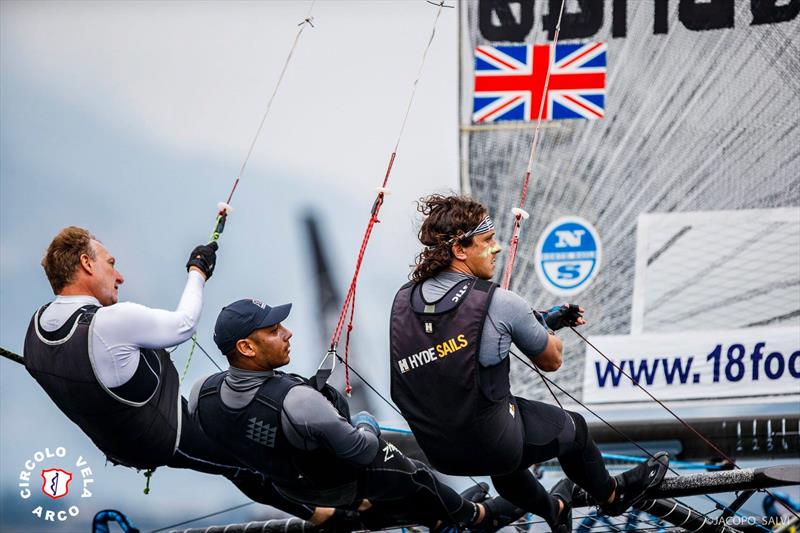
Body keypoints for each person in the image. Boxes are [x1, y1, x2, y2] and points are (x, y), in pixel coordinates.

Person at [23, 226, 350, 527]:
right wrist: (198, 271)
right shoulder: (109, 322)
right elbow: (183, 325)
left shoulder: (36, 331)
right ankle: (337, 514)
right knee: (248, 459)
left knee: (241, 453)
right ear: (86, 264)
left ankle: (328, 508)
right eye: (111, 263)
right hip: (164, 435)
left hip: (121, 444)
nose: (119, 276)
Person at [388, 195, 669, 532]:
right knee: (574, 430)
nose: (497, 248)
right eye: (488, 240)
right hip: (495, 446)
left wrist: (539, 321)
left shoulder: (403, 301)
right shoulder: (502, 303)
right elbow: (552, 359)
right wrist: (544, 330)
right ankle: (612, 497)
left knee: (502, 451)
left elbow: (458, 340)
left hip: (442, 455)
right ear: (460, 250)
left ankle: (553, 509)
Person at [191, 297, 526, 530]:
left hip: (291, 489)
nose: (287, 332)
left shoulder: (201, 393)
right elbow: (363, 449)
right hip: (341, 485)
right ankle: (478, 517)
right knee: (413, 473)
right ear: (247, 348)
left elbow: (241, 438)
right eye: (274, 330)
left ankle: (433, 518)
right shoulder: (298, 402)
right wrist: (363, 420)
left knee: (384, 477)